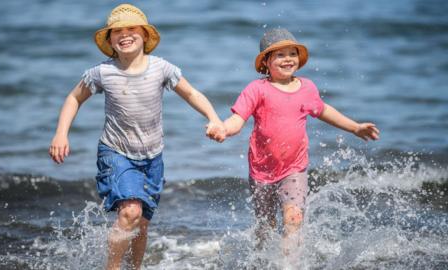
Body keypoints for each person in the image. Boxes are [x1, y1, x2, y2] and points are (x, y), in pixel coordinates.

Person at [48, 4, 225, 270]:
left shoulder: (161, 68)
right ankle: (113, 267)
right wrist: (61, 133)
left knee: (141, 224)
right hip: (115, 151)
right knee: (131, 212)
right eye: (117, 31)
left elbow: (191, 93)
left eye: (132, 29)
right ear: (109, 40)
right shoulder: (103, 72)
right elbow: (74, 97)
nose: (125, 35)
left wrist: (213, 118)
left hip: (153, 156)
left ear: (145, 34)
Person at [217, 28, 379, 254]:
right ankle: (261, 262)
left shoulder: (307, 88)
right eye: (280, 55)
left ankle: (288, 264)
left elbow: (323, 110)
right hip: (261, 171)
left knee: (293, 219)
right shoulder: (257, 89)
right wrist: (224, 129)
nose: (288, 60)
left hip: (294, 168)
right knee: (266, 227)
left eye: (292, 54)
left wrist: (355, 127)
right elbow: (238, 118)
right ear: (266, 61)